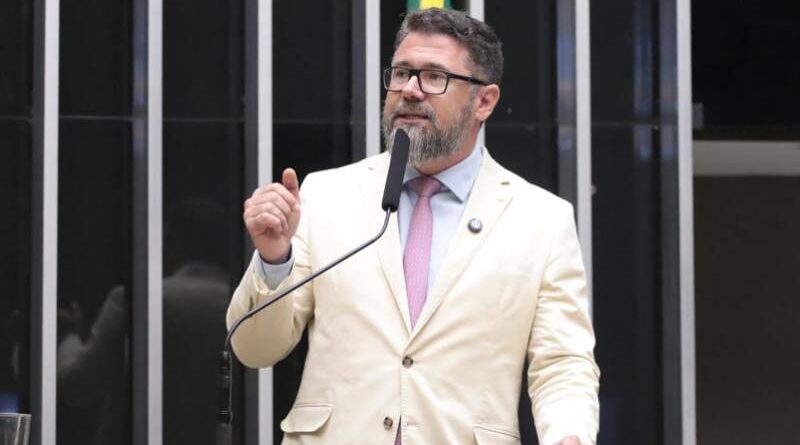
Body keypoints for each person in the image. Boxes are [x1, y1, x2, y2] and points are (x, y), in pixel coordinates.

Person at [227, 7, 599, 445]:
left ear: (484, 101)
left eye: (434, 77)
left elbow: (562, 362)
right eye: (402, 73)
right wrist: (275, 259)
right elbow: (255, 348)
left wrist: (569, 435)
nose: (410, 90)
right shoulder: (327, 194)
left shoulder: (541, 219)